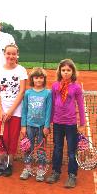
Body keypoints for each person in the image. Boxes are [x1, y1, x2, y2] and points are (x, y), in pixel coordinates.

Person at [46, 59, 85, 188]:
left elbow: (80, 105)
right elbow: (51, 105)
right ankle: (56, 172)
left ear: (73, 71)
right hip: (57, 122)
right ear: (60, 71)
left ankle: (72, 175)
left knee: (71, 150)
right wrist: (48, 123)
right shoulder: (55, 86)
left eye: (68, 70)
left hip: (71, 123)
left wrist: (82, 124)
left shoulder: (76, 87)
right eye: (63, 70)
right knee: (57, 148)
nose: (66, 72)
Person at [0, 44, 28, 176]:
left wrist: (11, 111)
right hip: (0, 111)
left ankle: (9, 164)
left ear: (17, 55)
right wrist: (1, 111)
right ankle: (1, 163)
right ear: (4, 54)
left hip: (16, 111)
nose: (11, 56)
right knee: (2, 138)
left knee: (13, 137)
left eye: (14, 54)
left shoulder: (21, 70)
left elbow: (22, 91)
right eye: (8, 53)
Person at [19, 67, 52, 182]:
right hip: (29, 126)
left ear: (44, 79)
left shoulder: (48, 93)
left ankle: (40, 169)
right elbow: (24, 110)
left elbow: (48, 110)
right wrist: (23, 126)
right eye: (36, 77)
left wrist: (47, 126)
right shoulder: (28, 93)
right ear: (32, 79)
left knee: (41, 149)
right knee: (28, 148)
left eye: (41, 78)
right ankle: (27, 168)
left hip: (42, 126)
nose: (38, 80)